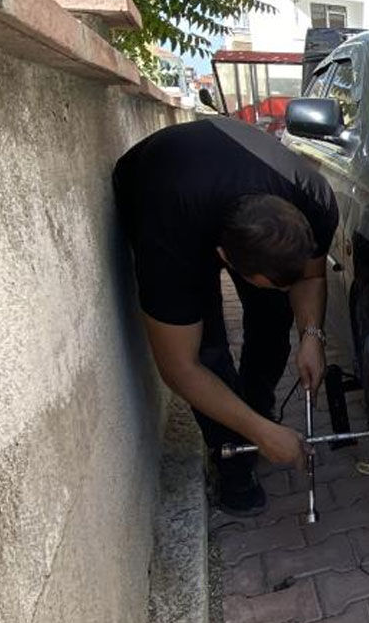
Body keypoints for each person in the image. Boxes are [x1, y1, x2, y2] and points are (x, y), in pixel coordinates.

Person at [113, 116, 337, 515]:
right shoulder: (168, 235)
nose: (287, 289)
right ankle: (231, 459)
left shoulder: (313, 197)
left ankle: (257, 406)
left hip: (223, 184)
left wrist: (312, 336)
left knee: (272, 325)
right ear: (225, 259)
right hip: (158, 185)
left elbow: (311, 277)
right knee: (209, 350)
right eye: (273, 282)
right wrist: (257, 433)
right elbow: (181, 367)